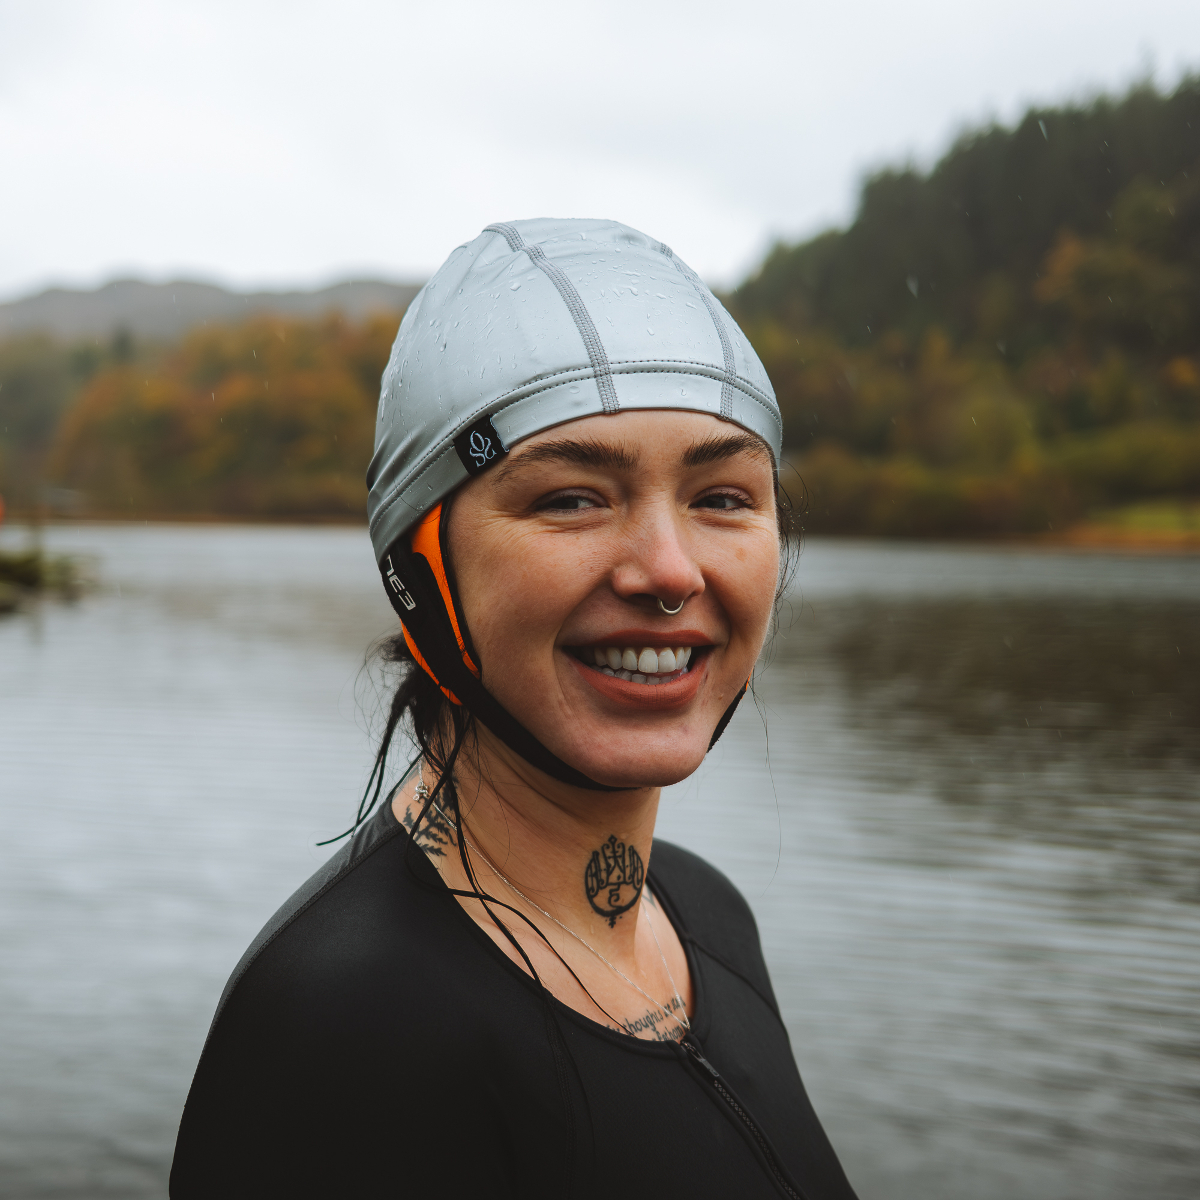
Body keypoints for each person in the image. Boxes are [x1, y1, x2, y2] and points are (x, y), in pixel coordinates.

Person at [170, 218, 858, 1199]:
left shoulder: (705, 917)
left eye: (723, 497)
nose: (669, 569)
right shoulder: (349, 1028)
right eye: (573, 498)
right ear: (420, 566)